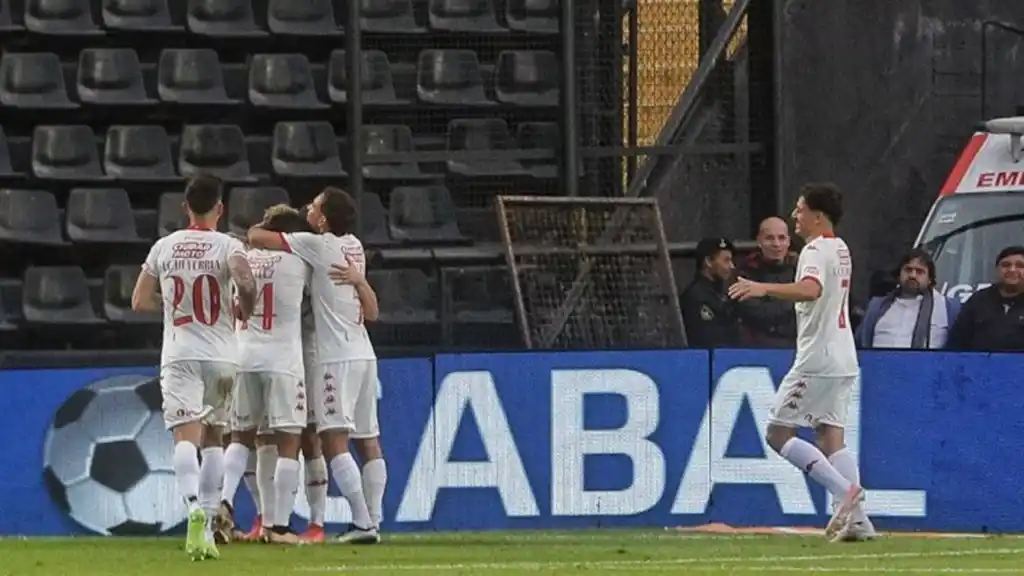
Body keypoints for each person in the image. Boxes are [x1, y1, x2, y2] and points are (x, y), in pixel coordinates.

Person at [728, 182, 870, 542]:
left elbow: (811, 289)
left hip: (817, 358)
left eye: (800, 209)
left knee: (777, 434)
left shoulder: (814, 250)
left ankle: (845, 493)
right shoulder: (841, 248)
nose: (795, 215)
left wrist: (762, 288)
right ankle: (859, 522)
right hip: (844, 356)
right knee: (830, 437)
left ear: (817, 216)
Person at [248, 187, 386, 544]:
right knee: (368, 441)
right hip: (365, 354)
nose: (308, 208)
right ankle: (374, 519)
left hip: (334, 358)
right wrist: (359, 280)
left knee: (333, 441)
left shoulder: (317, 244)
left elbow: (255, 235)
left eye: (314, 206)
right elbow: (372, 312)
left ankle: (362, 523)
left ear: (323, 219)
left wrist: (282, 236)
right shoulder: (354, 245)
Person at [130, 173, 257, 561]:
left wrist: (171, 309)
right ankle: (209, 512)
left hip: (180, 353)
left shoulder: (163, 247)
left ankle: (191, 510)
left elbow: (138, 301)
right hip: (221, 354)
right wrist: (242, 312)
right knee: (216, 437)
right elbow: (246, 282)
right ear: (220, 208)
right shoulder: (228, 245)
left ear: (185, 206)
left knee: (186, 439)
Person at [215, 205, 310, 545]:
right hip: (283, 358)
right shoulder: (300, 261)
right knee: (288, 442)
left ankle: (223, 502)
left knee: (240, 437)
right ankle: (279, 528)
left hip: (244, 354)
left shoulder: (243, 259)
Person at [857, 249, 960, 349]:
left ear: (930, 279)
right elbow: (860, 342)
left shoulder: (946, 308)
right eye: (908, 270)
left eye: (919, 271)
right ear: (899, 274)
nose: (912, 275)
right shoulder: (877, 306)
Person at [946, 246, 1024, 351]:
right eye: (1006, 265)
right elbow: (956, 343)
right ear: (997, 270)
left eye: (1020, 265)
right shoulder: (978, 300)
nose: (1012, 269)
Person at [737, 217, 798, 347]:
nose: (776, 244)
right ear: (759, 241)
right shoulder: (746, 273)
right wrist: (795, 302)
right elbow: (758, 314)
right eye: (769, 238)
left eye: (781, 238)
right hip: (761, 348)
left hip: (801, 346)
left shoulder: (802, 269)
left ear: (788, 241)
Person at [680, 237, 739, 348]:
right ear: (708, 262)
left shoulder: (721, 293)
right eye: (726, 260)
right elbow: (706, 338)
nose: (732, 266)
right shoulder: (696, 296)